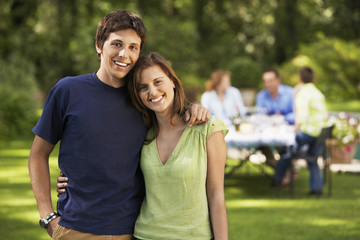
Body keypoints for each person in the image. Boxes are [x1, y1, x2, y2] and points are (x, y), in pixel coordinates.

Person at [28, 10, 210, 239]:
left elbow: (171, 115)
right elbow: (37, 155)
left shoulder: (143, 98)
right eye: (117, 44)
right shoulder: (68, 91)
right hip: (75, 228)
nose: (124, 54)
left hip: (131, 230)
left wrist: (192, 108)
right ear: (99, 45)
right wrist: (48, 217)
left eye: (133, 47)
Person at [58, 52, 229, 239]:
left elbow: (216, 195)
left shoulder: (207, 129)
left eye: (158, 82)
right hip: (145, 235)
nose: (152, 92)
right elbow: (110, 163)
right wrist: (72, 180)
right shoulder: (142, 132)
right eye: (143, 87)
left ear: (173, 81)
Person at [273, 67, 328, 196]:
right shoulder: (318, 93)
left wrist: (294, 131)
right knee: (312, 158)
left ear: (299, 79)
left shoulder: (302, 93)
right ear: (313, 79)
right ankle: (316, 188)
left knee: (288, 151)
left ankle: (277, 179)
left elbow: (301, 116)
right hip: (320, 133)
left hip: (308, 132)